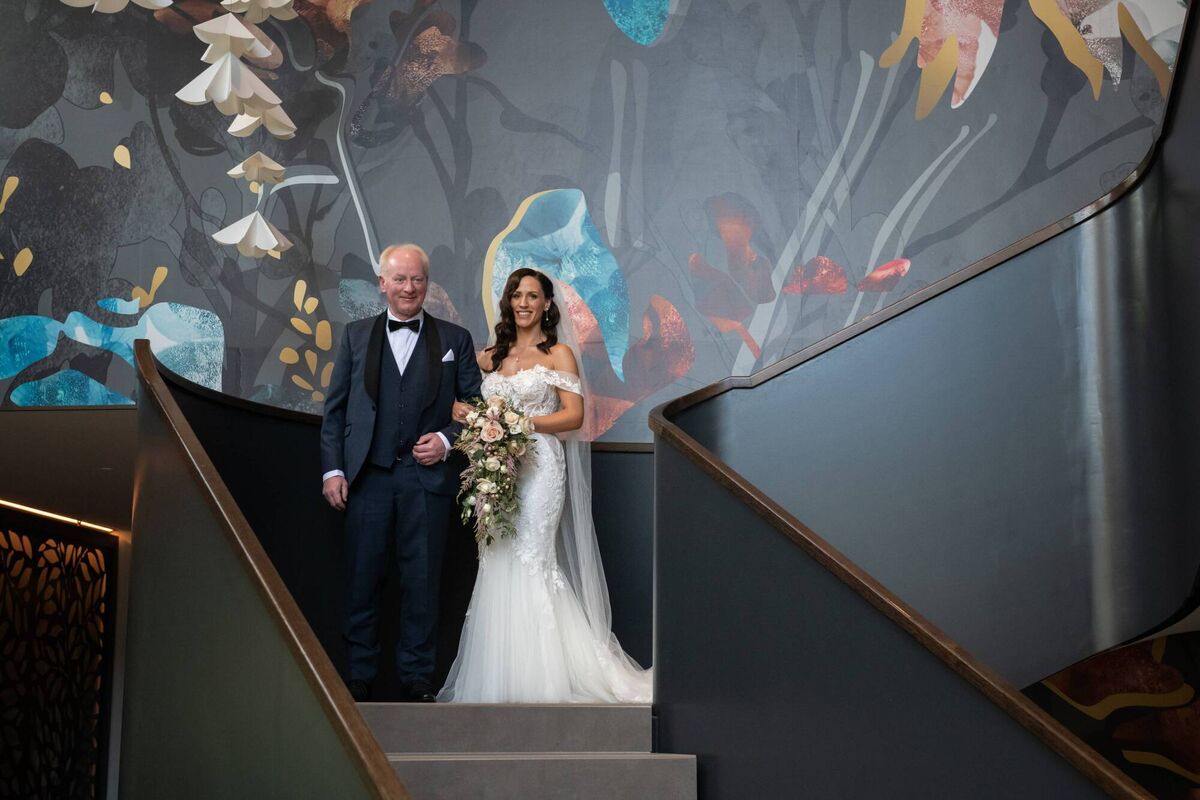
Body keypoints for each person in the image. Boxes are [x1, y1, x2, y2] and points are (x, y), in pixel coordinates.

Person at [438, 268, 652, 703]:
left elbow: (574, 416)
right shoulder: (488, 357)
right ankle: (502, 676)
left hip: (540, 468)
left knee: (533, 558)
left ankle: (545, 677)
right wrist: (469, 415)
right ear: (508, 302)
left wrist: (517, 424)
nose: (524, 303)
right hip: (497, 467)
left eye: (532, 296)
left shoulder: (559, 354)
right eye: (517, 295)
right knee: (496, 558)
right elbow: (461, 401)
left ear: (547, 304)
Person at [320, 244, 482, 703]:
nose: (409, 288)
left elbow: (476, 405)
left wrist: (447, 440)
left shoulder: (455, 339)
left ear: (426, 284)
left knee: (423, 583)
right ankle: (359, 676)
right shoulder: (354, 336)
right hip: (367, 479)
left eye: (417, 279)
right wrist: (333, 470)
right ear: (382, 284)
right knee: (362, 579)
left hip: (426, 481)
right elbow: (334, 411)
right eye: (400, 279)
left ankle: (418, 678)